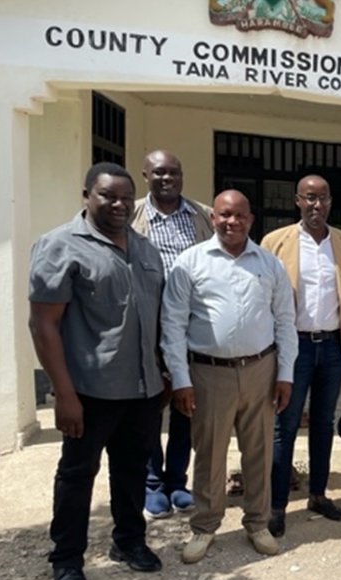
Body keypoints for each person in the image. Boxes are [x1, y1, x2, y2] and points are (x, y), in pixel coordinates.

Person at [29, 163, 165, 580]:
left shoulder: (145, 249)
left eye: (126, 197)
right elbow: (43, 325)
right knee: (77, 474)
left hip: (141, 388)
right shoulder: (59, 246)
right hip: (88, 391)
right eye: (108, 196)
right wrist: (63, 395)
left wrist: (161, 373)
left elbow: (157, 316)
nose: (120, 204)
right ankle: (67, 558)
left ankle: (128, 541)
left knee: (131, 470)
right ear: (86, 195)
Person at [160, 190, 297, 564]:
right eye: (223, 215)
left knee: (258, 452)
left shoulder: (269, 264)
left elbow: (285, 321)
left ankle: (257, 522)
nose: (231, 222)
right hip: (208, 373)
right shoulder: (190, 262)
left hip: (260, 371)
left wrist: (285, 374)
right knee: (209, 454)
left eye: (239, 216)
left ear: (251, 220)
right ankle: (205, 527)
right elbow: (172, 324)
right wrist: (181, 378)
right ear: (213, 218)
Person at [261, 174, 341, 536]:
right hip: (294, 346)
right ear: (297, 201)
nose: (316, 205)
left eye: (322, 199)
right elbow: (265, 295)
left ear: (331, 202)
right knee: (283, 426)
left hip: (332, 346)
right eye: (309, 198)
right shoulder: (276, 242)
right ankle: (277, 505)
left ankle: (318, 494)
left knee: (323, 422)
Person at [131, 149, 214, 519]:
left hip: (189, 326)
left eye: (174, 173)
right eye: (159, 173)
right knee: (150, 406)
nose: (168, 179)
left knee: (185, 406)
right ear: (145, 174)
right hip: (145, 327)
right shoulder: (130, 214)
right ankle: (152, 483)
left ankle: (178, 481)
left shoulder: (202, 215)